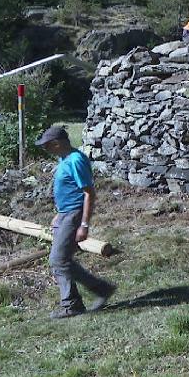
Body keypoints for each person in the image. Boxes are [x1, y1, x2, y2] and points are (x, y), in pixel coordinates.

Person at [37, 126, 116, 319]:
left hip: (74, 215)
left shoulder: (76, 160)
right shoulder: (64, 158)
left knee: (58, 260)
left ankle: (72, 304)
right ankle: (100, 289)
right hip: (66, 214)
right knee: (61, 260)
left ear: (56, 143)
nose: (45, 149)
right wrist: (59, 213)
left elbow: (89, 193)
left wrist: (84, 225)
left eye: (47, 146)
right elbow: (68, 190)